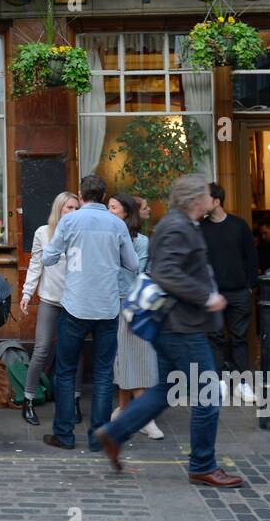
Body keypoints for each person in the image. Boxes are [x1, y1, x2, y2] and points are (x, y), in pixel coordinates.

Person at [93, 175, 243, 485]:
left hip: (176, 324)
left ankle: (114, 433)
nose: (209, 197)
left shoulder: (180, 223)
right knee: (207, 394)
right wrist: (207, 296)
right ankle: (202, 464)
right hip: (182, 326)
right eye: (204, 193)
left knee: (166, 389)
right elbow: (167, 273)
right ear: (194, 199)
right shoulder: (177, 226)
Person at [39, 174, 137, 452]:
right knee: (104, 373)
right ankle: (98, 437)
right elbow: (131, 263)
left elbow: (48, 257)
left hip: (75, 305)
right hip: (107, 307)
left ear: (81, 196)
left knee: (66, 371)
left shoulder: (70, 221)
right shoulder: (116, 223)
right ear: (104, 197)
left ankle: (64, 434)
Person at [18, 191, 80, 426]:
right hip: (49, 299)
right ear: (59, 209)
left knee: (74, 351)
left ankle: (73, 400)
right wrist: (26, 293)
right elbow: (35, 265)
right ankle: (28, 399)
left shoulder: (81, 232)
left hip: (75, 302)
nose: (74, 212)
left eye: (76, 208)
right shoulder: (43, 233)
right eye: (69, 208)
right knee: (42, 349)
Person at [108, 193, 163, 440]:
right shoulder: (106, 238)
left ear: (125, 214)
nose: (108, 212)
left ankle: (141, 414)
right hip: (110, 303)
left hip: (135, 305)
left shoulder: (141, 242)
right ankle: (129, 410)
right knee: (122, 358)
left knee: (137, 359)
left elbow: (142, 274)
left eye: (113, 208)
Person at [200, 182, 259, 403]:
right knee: (215, 338)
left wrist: (250, 285)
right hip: (213, 293)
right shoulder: (201, 228)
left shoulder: (239, 225)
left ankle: (243, 384)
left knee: (239, 338)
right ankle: (220, 382)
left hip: (239, 292)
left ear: (216, 201)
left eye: (204, 197)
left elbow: (251, 257)